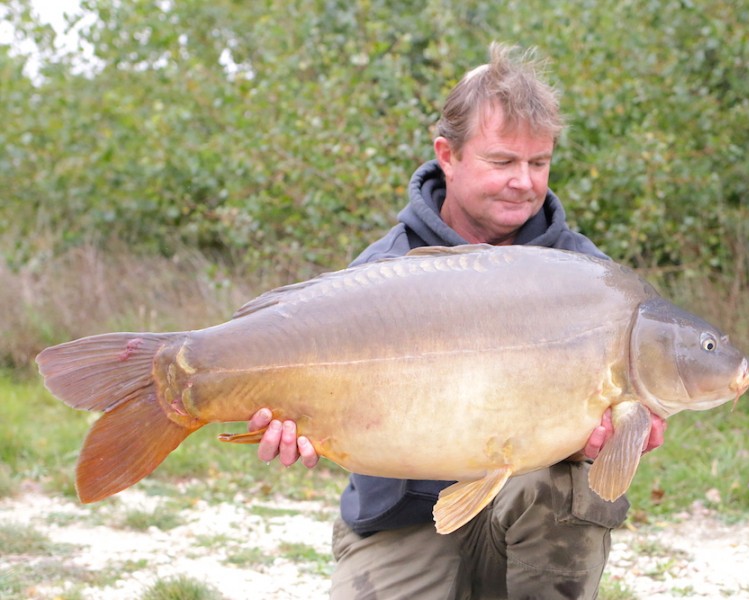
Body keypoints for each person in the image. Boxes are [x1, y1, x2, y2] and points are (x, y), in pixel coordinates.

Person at [248, 42, 667, 599]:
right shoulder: (383, 271)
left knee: (569, 489)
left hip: (523, 517)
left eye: (538, 162)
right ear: (448, 154)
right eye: (502, 162)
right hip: (401, 522)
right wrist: (294, 427)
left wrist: (615, 439)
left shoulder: (587, 278)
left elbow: (620, 424)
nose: (524, 181)